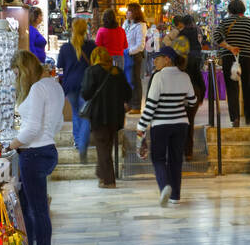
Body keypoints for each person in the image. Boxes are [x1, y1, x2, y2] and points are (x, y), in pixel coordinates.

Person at [10, 51, 63, 245]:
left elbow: (31, 128)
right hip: (45, 149)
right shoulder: (54, 86)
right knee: (33, 208)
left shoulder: (38, 88)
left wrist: (12, 144)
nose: (16, 79)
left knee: (36, 210)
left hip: (33, 153)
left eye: (17, 74)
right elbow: (57, 122)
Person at [137, 38, 196, 206]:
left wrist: (141, 125)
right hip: (181, 124)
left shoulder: (158, 77)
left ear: (167, 59)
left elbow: (151, 105)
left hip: (161, 125)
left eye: (158, 57)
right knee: (176, 160)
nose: (154, 60)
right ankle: (175, 196)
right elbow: (192, 101)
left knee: (158, 158)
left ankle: (164, 187)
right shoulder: (184, 76)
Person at [81, 46, 131, 189]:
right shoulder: (118, 72)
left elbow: (85, 93)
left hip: (98, 116)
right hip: (116, 117)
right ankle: (101, 174)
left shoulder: (91, 71)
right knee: (106, 146)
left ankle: (109, 180)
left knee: (103, 146)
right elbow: (128, 94)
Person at [217, 0, 250, 127]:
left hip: (229, 58)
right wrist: (248, 44)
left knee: (232, 88)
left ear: (230, 10)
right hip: (247, 57)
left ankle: (235, 118)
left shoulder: (225, 22)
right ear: (243, 9)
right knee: (248, 86)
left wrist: (229, 47)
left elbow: (216, 37)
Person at [56, 17, 96, 163]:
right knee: (86, 115)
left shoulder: (65, 48)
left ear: (72, 30)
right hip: (87, 85)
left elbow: (60, 66)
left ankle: (78, 141)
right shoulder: (91, 46)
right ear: (85, 30)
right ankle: (82, 145)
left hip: (70, 85)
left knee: (75, 113)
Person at [174, 15, 206, 159]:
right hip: (193, 94)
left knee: (177, 121)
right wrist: (202, 96)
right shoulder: (193, 59)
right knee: (189, 122)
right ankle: (188, 151)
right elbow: (199, 79)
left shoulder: (174, 61)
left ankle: (177, 149)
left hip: (177, 95)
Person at [124, 3, 146, 111]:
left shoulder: (141, 26)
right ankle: (128, 104)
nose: (126, 13)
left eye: (129, 11)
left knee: (135, 81)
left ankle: (136, 106)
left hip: (134, 56)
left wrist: (129, 51)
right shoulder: (125, 24)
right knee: (127, 81)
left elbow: (140, 45)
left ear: (135, 12)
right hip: (125, 55)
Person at [95, 9, 128, 74]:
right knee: (118, 79)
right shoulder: (121, 30)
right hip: (119, 59)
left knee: (106, 79)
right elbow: (125, 46)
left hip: (106, 58)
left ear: (104, 19)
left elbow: (97, 47)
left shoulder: (101, 31)